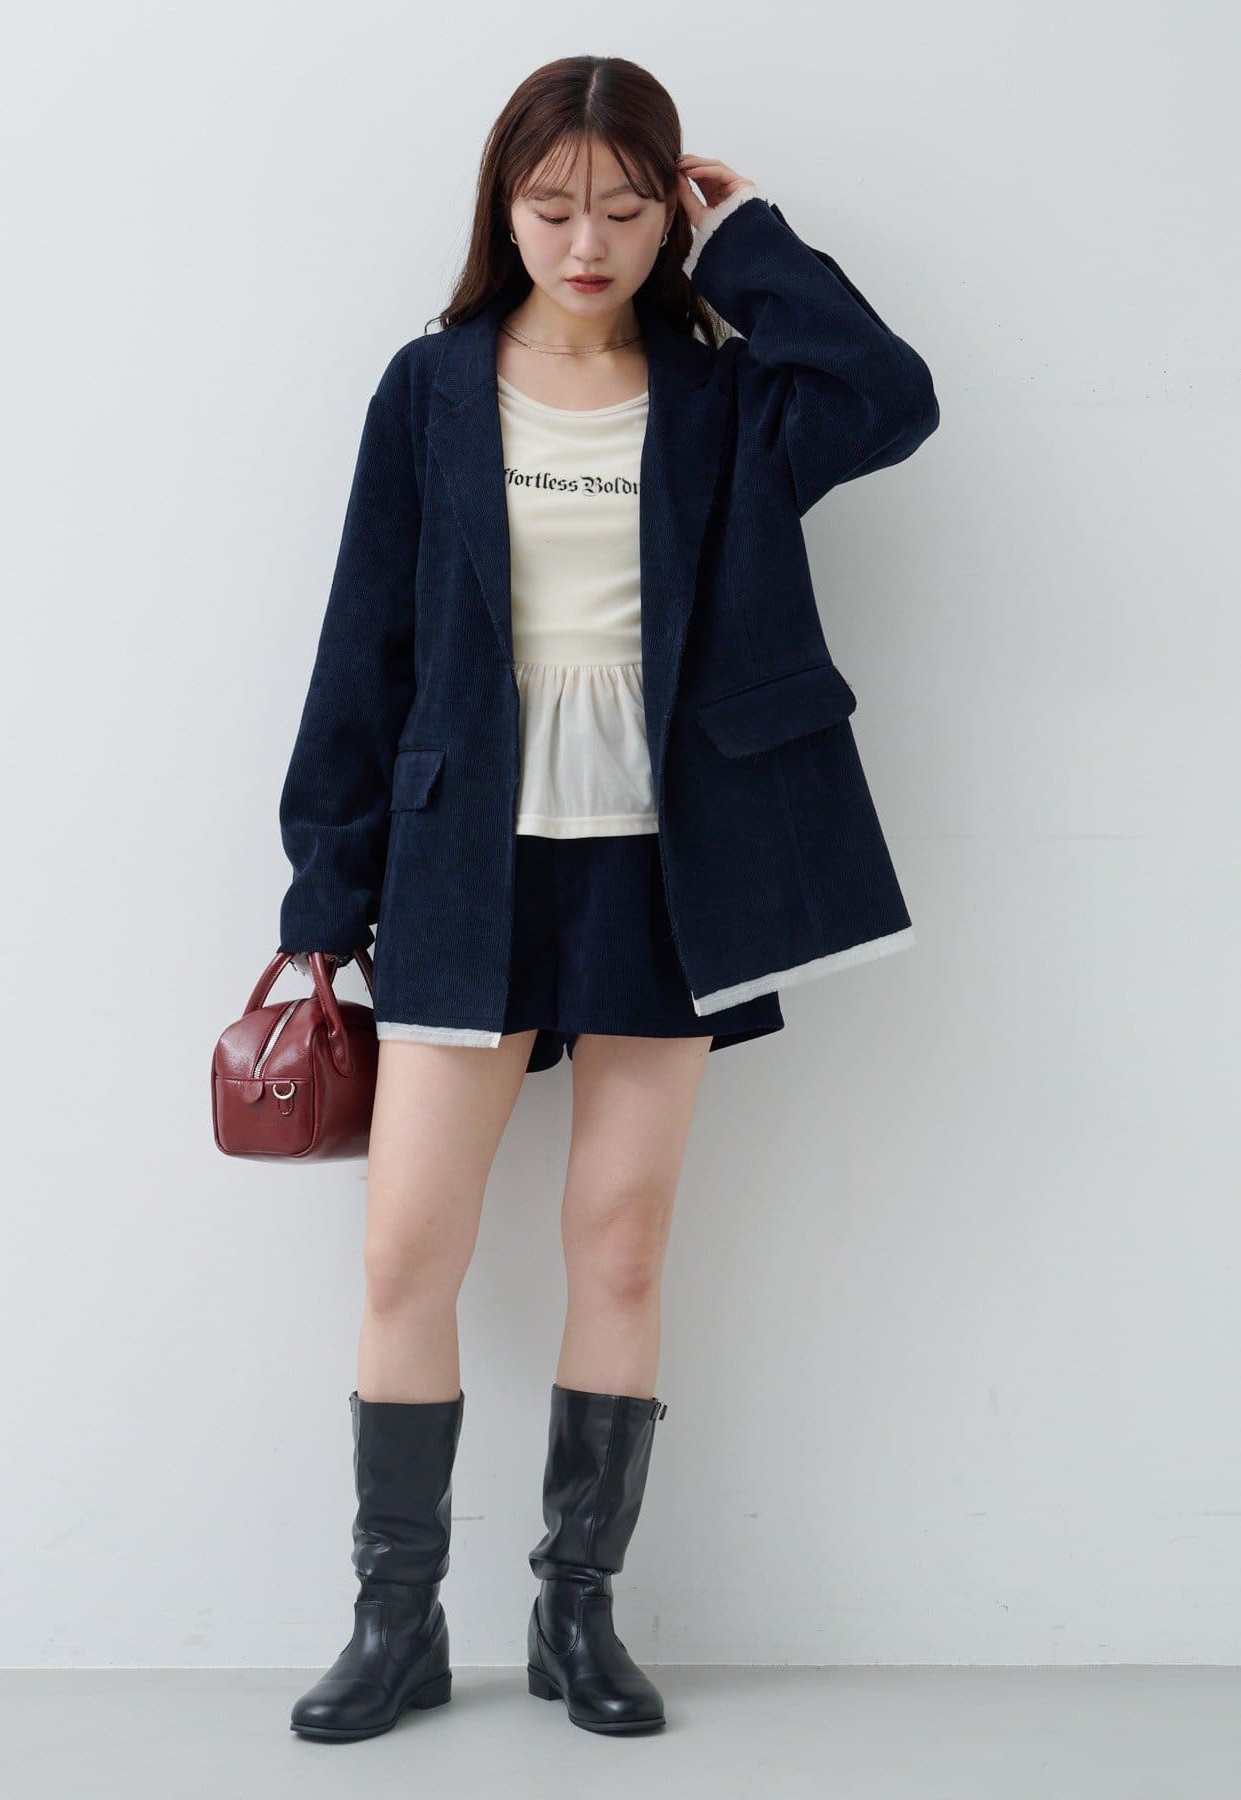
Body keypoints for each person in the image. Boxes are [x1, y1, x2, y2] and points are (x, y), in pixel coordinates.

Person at [275, 55, 938, 1742]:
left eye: (629, 209)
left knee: (622, 1245)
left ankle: (578, 1615)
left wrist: (754, 237)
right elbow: (365, 643)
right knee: (404, 1249)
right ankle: (395, 1624)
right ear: (503, 208)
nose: (589, 243)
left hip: (664, 864)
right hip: (461, 859)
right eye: (555, 206)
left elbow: (890, 399)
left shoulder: (724, 396)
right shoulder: (431, 386)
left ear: (669, 217)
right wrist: (322, 895)